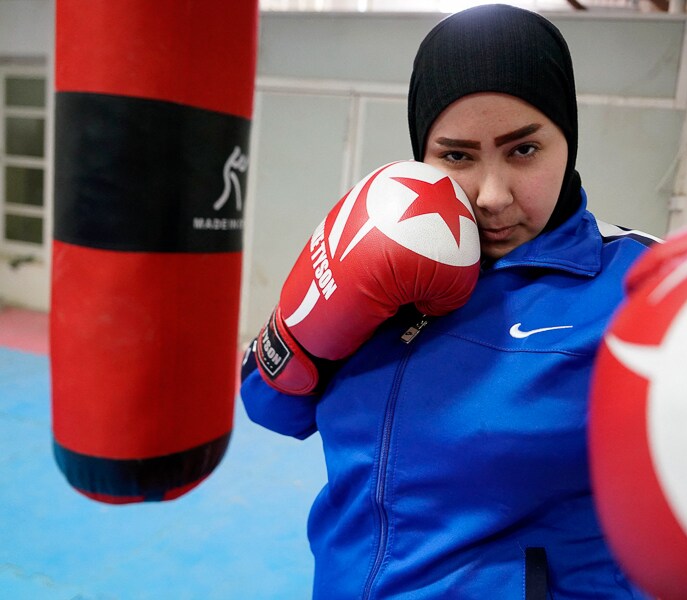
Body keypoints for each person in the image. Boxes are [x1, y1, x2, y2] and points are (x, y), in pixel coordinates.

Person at [240, 4, 657, 598]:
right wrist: (315, 314)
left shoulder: (640, 288)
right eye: (457, 155)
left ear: (568, 138)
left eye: (523, 150)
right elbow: (269, 406)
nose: (491, 196)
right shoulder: (386, 241)